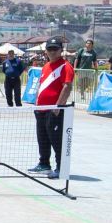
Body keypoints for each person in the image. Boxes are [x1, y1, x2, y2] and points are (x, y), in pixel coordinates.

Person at [28, 37, 73, 181]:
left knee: (56, 140)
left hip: (54, 110)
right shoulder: (46, 66)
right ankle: (44, 164)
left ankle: (61, 168)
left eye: (55, 49)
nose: (52, 52)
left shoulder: (66, 66)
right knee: (43, 138)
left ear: (61, 50)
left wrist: (58, 106)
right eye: (49, 49)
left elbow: (67, 86)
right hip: (40, 109)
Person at [72, 38, 98, 103]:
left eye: (90, 43)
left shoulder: (93, 52)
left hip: (89, 70)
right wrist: (74, 68)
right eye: (87, 43)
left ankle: (81, 89)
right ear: (85, 44)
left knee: (89, 82)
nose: (88, 44)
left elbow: (94, 61)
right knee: (81, 82)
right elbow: (76, 59)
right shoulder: (81, 50)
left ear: (92, 45)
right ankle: (82, 94)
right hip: (81, 69)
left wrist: (96, 69)